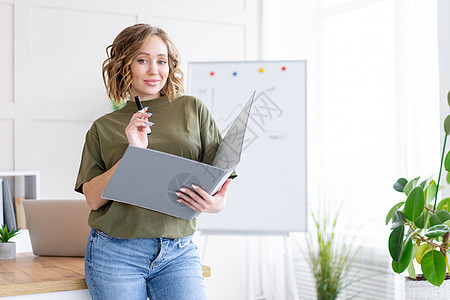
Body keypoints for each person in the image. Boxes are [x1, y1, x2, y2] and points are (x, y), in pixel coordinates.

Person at [75, 23, 234, 300]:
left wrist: (217, 204)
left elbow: (220, 173)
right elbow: (93, 199)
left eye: (162, 61)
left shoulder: (192, 109)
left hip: (179, 251)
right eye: (142, 60)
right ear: (124, 65)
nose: (154, 70)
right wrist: (133, 154)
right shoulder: (104, 126)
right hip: (115, 253)